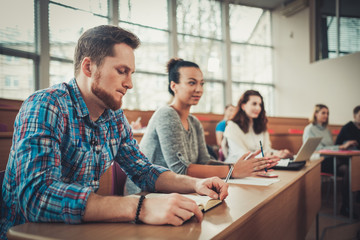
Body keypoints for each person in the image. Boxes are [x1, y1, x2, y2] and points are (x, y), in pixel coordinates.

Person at [0, 25, 230, 239]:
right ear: (89, 67)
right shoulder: (45, 105)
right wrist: (139, 207)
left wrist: (195, 184)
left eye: (131, 73)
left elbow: (144, 171)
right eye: (122, 71)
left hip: (81, 230)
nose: (130, 84)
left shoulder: (114, 116)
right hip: (26, 233)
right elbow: (36, 197)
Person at [125, 59, 278, 195]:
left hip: (176, 190)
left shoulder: (194, 122)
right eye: (192, 82)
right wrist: (233, 171)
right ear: (174, 86)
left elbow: (205, 161)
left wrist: (242, 168)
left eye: (201, 83)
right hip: (144, 193)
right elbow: (179, 169)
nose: (199, 89)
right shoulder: (166, 114)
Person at [303, 104, 357, 216]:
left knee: (351, 167)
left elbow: (331, 148)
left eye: (327, 113)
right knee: (348, 167)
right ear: (315, 114)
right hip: (318, 161)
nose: (326, 115)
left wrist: (340, 148)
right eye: (323, 113)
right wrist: (341, 147)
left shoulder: (327, 130)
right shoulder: (309, 129)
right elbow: (316, 149)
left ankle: (348, 205)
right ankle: (346, 206)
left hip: (331, 159)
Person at [222, 90, 292, 163]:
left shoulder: (261, 126)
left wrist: (280, 153)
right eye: (254, 104)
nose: (258, 108)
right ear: (243, 106)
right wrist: (270, 155)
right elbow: (241, 156)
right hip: (236, 167)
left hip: (260, 165)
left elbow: (267, 150)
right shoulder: (232, 126)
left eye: (260, 105)